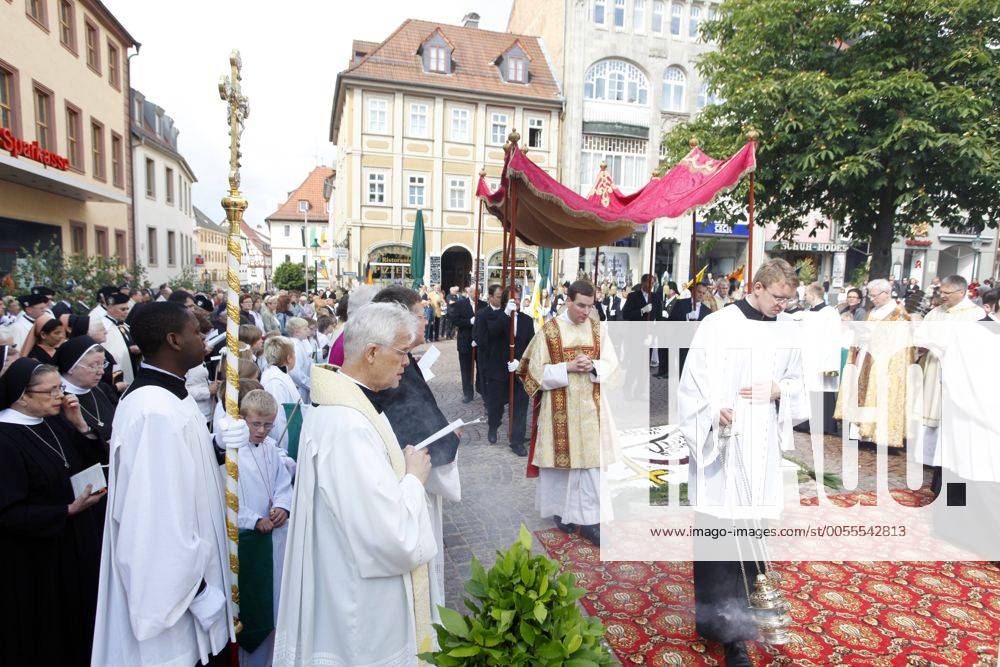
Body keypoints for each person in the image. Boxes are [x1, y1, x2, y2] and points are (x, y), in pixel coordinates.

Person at [274, 303, 437, 666]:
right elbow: (389, 534)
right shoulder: (348, 426)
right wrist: (413, 478)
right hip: (359, 599)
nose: (406, 362)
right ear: (372, 352)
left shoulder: (347, 406)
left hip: (346, 576)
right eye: (402, 352)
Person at [92, 302, 247, 667]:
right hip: (179, 604)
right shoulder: (153, 410)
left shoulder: (170, 395)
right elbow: (154, 518)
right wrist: (198, 592)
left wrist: (216, 446)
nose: (204, 338)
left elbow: (181, 472)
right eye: (196, 331)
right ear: (174, 340)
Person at [677, 259, 806, 667]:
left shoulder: (789, 329)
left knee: (750, 539)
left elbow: (799, 382)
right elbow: (691, 384)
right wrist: (711, 411)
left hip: (761, 447)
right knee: (719, 540)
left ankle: (743, 627)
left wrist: (779, 390)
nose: (783, 305)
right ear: (758, 286)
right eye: (778, 297)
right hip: (722, 446)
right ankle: (719, 627)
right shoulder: (718, 325)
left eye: (789, 299)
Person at [0, 358, 107, 666]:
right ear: (22, 396)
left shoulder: (54, 420)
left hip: (76, 544)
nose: (61, 396)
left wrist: (80, 425)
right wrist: (66, 510)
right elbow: (7, 513)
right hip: (38, 561)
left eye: (60, 388)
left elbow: (91, 460)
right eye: (51, 391)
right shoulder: (5, 439)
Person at [370, 286, 462, 617]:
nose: (426, 322)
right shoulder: (391, 370)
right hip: (410, 483)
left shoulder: (402, 361)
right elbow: (410, 426)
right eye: (421, 316)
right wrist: (448, 442)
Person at [517, 280, 613, 546]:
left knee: (591, 467)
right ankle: (561, 512)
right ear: (568, 301)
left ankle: (591, 521)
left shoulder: (598, 329)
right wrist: (567, 367)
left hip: (591, 410)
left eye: (590, 306)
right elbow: (532, 373)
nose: (586, 312)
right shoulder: (550, 331)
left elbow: (614, 366)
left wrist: (594, 365)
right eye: (581, 305)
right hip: (559, 409)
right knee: (561, 470)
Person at [236, 390, 294, 667]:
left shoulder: (271, 448)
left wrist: (283, 506)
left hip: (274, 542)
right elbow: (226, 497)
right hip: (247, 544)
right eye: (256, 424)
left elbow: (283, 483)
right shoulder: (231, 454)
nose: (261, 431)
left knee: (275, 608)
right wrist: (252, 520)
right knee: (254, 610)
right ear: (242, 419)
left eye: (268, 425)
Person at [914, 275, 985, 494]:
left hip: (958, 377)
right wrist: (922, 344)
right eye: (941, 292)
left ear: (961, 292)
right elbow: (921, 337)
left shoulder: (975, 315)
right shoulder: (935, 313)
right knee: (934, 421)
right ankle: (936, 472)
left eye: (947, 293)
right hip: (934, 372)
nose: (942, 296)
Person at [834, 278, 912, 449]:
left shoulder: (898, 314)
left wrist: (873, 337)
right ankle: (859, 433)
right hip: (865, 357)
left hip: (884, 363)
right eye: (870, 295)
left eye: (875, 295)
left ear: (886, 293)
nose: (872, 299)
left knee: (879, 396)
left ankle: (877, 436)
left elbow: (899, 343)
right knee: (862, 392)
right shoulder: (872, 311)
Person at [481, 285, 535, 455]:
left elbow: (531, 345)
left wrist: (521, 362)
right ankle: (493, 426)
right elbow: (492, 333)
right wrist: (505, 314)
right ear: (505, 300)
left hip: (518, 369)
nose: (517, 302)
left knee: (520, 406)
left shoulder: (527, 320)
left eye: (518, 299)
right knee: (496, 405)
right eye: (513, 299)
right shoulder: (494, 316)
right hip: (498, 369)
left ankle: (517, 440)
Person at [796, 282, 844, 436]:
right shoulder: (807, 312)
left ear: (813, 294)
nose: (804, 297)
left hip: (826, 358)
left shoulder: (830, 313)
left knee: (823, 391)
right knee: (808, 389)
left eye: (806, 294)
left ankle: (823, 424)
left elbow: (833, 337)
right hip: (809, 357)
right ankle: (805, 423)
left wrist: (824, 357)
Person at [55, 335, 118, 443]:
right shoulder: (60, 401)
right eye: (94, 365)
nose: (101, 371)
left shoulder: (103, 388)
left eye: (103, 364)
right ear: (71, 367)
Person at [261, 336, 304, 455]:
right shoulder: (275, 382)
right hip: (283, 446)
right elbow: (278, 422)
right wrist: (283, 453)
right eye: (294, 354)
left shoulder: (280, 374)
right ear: (289, 358)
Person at [447, 285, 482, 403]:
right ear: (469, 292)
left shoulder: (483, 305)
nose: (477, 295)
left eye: (479, 293)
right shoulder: (460, 304)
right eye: (475, 293)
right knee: (466, 370)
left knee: (481, 368)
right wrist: (469, 321)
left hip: (479, 342)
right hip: (465, 341)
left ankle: (481, 388)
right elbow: (454, 320)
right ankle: (468, 393)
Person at [102, 292, 138, 386]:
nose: (126, 312)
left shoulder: (125, 326)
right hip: (116, 378)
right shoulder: (104, 328)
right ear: (110, 308)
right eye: (122, 309)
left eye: (127, 309)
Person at [285, 317, 313, 403]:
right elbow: (295, 372)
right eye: (305, 328)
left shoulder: (301, 342)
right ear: (296, 332)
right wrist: (310, 384)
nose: (308, 330)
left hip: (303, 384)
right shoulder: (295, 346)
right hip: (299, 387)